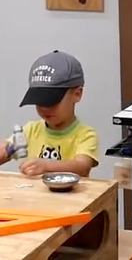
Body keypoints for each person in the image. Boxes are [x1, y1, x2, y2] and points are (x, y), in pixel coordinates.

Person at [0, 50, 99, 178]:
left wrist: (46, 166)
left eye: (51, 102)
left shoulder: (85, 135)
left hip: (71, 191)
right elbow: (6, 149)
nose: (45, 109)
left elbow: (82, 167)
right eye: (39, 102)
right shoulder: (30, 131)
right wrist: (6, 151)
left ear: (77, 94)